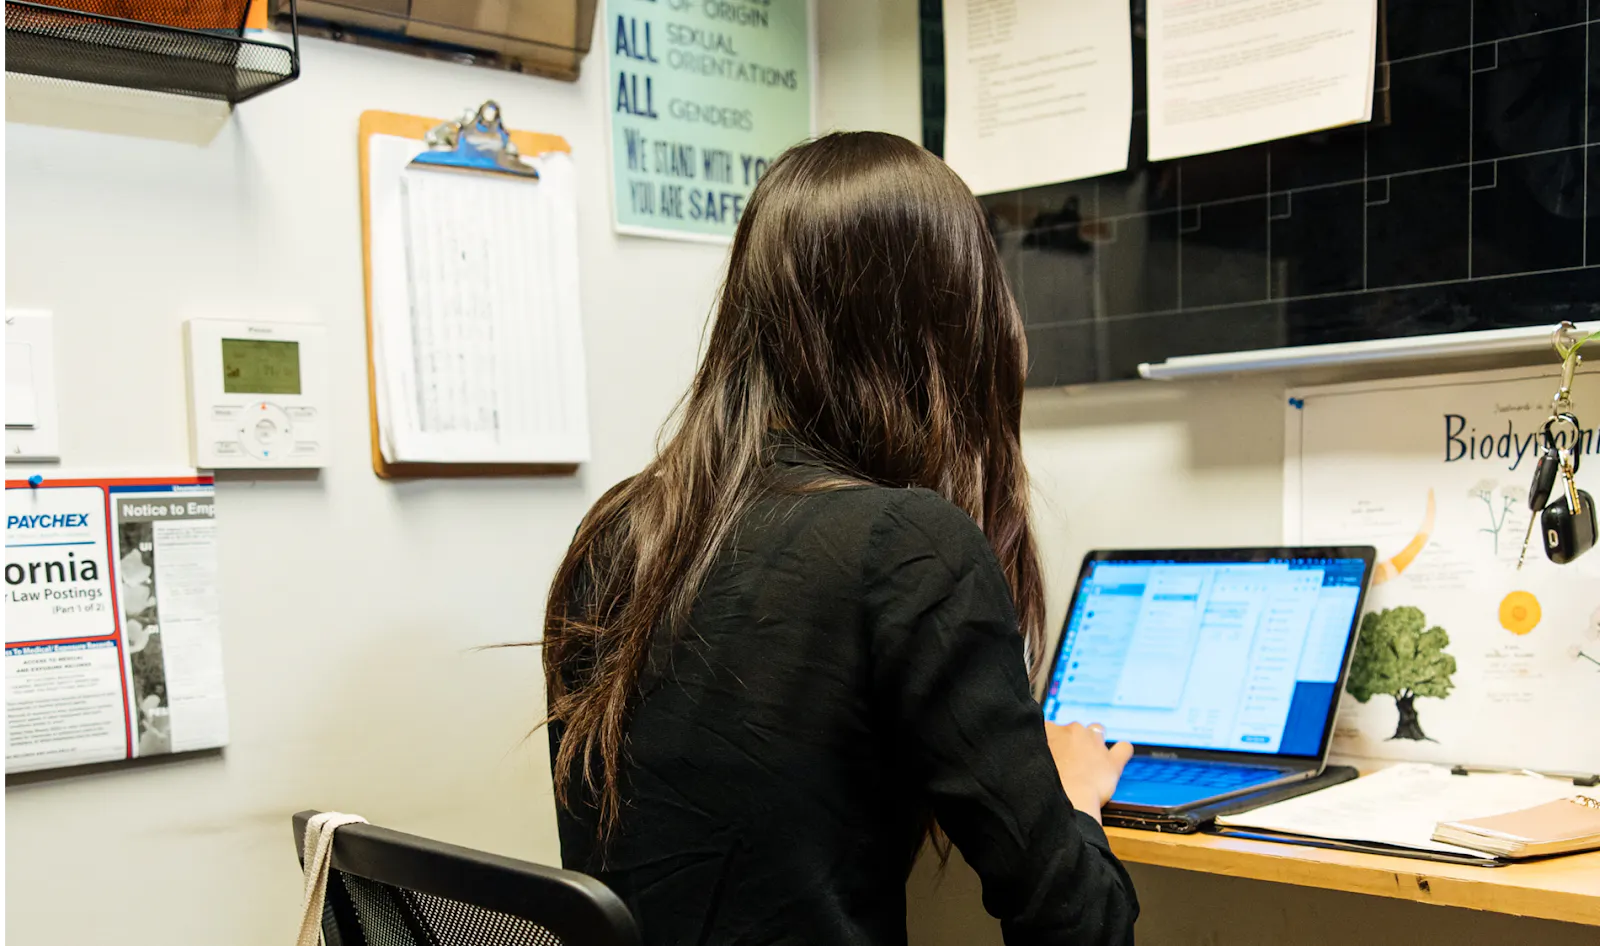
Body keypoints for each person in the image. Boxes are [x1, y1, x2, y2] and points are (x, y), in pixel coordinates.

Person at [542, 131, 1138, 946]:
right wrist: (1070, 794)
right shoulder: (908, 546)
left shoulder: (622, 535)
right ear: (954, 325)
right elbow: (1079, 930)